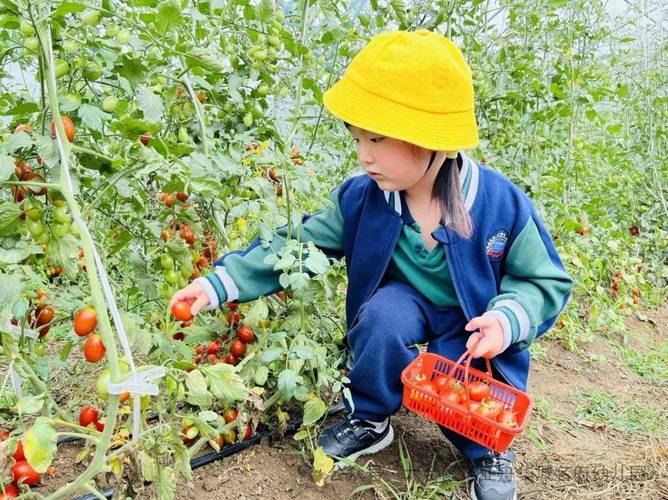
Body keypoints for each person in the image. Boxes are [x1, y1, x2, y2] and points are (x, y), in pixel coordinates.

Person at [169, 29, 573, 500]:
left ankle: (489, 450)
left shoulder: (501, 206)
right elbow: (299, 245)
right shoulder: (365, 199)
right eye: (357, 137)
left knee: (467, 389)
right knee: (381, 318)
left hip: (476, 320)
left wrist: (507, 320)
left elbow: (544, 280)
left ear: (432, 140)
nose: (363, 155)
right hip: (406, 304)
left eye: (377, 139)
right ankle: (370, 416)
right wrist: (221, 283)